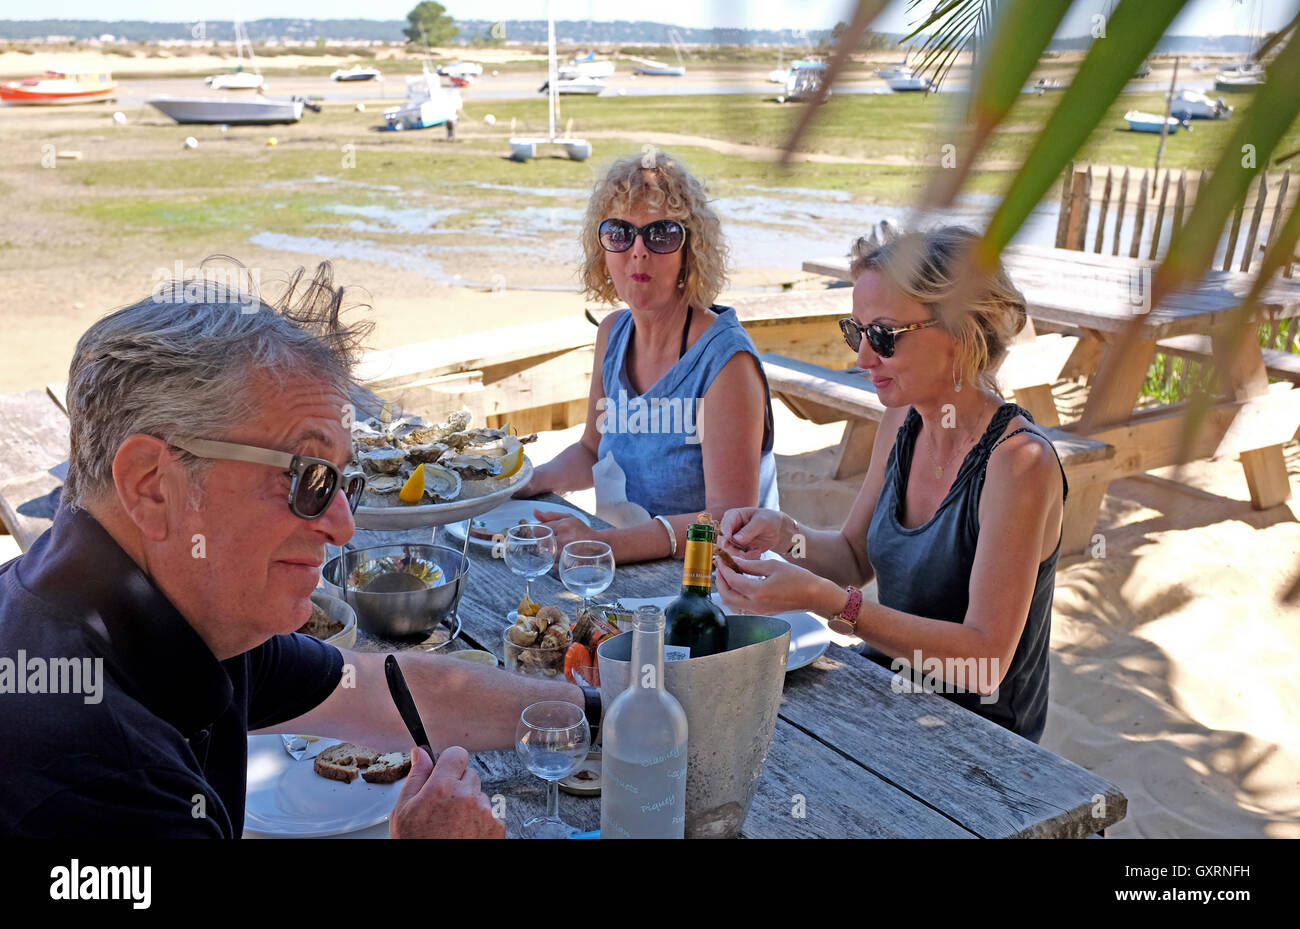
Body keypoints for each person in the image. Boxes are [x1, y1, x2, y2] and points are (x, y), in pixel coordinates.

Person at [0, 263, 596, 837]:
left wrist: (602, 713)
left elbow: (380, 690)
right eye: (308, 477)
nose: (343, 526)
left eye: (345, 482)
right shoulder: (93, 777)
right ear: (154, 485)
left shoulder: (173, 606)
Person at [715, 227, 1066, 742]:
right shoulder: (903, 417)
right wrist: (784, 536)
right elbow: (855, 557)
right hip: (885, 690)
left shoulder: (1019, 463)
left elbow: (984, 663)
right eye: (855, 332)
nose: (862, 359)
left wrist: (835, 604)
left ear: (962, 334)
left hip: (982, 739)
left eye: (883, 337)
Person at [520, 150, 779, 563]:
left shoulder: (726, 363)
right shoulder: (613, 333)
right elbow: (592, 450)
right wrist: (525, 481)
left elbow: (729, 520)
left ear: (689, 252)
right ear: (602, 248)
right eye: (620, 233)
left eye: (661, 235)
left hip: (711, 586)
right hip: (625, 569)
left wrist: (604, 545)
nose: (638, 251)